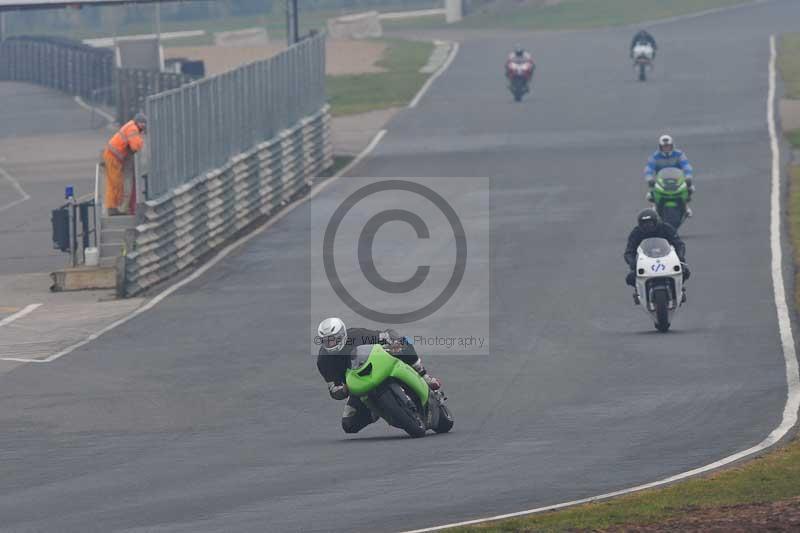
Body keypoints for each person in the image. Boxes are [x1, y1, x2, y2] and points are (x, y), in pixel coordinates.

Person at [316, 317, 441, 434]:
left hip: (379, 366)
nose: (330, 344)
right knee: (349, 425)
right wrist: (343, 390)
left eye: (333, 339)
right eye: (326, 341)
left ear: (342, 335)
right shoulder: (323, 360)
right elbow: (333, 389)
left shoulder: (357, 335)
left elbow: (386, 334)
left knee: (404, 342)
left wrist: (393, 342)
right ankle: (375, 411)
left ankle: (424, 376)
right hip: (359, 387)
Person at [623, 208, 690, 287]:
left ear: (656, 221)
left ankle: (678, 288)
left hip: (667, 259)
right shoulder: (636, 232)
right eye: (644, 223)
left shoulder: (665, 228)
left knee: (685, 271)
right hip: (645, 262)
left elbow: (679, 244)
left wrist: (680, 257)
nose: (647, 226)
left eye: (650, 223)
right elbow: (629, 251)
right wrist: (633, 263)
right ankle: (639, 292)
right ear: (640, 224)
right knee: (630, 278)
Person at [103, 112, 146, 215]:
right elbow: (135, 146)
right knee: (115, 183)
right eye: (142, 123)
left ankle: (115, 207)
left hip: (113, 156)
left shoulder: (131, 126)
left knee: (116, 183)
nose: (144, 125)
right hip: (112, 157)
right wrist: (140, 142)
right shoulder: (133, 129)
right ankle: (112, 208)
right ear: (137, 122)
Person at [644, 134, 695, 216]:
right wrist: (649, 178)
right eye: (664, 147)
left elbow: (686, 166)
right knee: (651, 194)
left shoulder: (679, 154)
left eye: (668, 146)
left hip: (677, 179)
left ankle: (686, 207)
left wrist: (688, 176)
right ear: (660, 147)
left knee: (690, 189)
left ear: (672, 146)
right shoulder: (654, 156)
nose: (666, 148)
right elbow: (649, 168)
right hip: (661, 180)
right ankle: (655, 207)